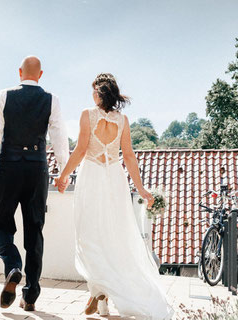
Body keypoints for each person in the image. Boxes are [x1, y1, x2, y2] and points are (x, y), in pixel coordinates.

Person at [56, 73, 173, 319]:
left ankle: (98, 294)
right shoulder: (123, 120)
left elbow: (79, 150)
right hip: (115, 179)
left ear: (100, 93)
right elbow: (129, 156)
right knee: (113, 234)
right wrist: (141, 189)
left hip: (93, 177)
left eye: (94, 90)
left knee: (90, 234)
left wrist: (63, 175)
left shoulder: (88, 114)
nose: (92, 95)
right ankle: (100, 296)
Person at [0, 56, 69, 311]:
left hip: (9, 166)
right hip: (36, 169)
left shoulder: (3, 96)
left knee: (1, 225)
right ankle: (30, 297)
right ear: (40, 75)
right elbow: (60, 138)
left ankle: (13, 266)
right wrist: (63, 173)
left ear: (20, 72)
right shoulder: (51, 99)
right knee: (34, 231)